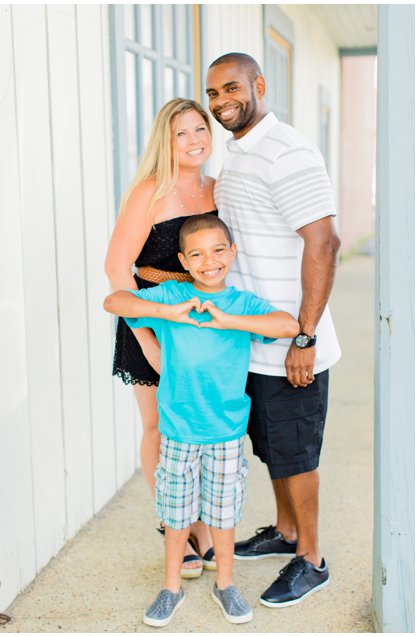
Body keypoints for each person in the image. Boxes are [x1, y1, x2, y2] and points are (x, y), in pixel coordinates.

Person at [104, 215, 299, 627]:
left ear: (232, 253)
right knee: (176, 516)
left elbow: (288, 325)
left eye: (217, 251)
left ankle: (225, 584)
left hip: (226, 431)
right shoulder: (172, 295)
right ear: (183, 260)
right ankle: (170, 587)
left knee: (223, 516)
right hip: (177, 429)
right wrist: (171, 313)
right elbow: (115, 302)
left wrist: (229, 321)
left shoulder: (242, 303)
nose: (208, 261)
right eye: (196, 254)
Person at [206, 52, 341, 607]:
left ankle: (310, 558)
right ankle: (284, 532)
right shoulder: (237, 153)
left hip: (293, 343)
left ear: (260, 85)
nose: (220, 103)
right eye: (212, 94)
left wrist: (303, 337)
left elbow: (325, 242)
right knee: (272, 449)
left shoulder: (289, 152)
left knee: (298, 453)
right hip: (254, 340)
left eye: (232, 88)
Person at [105, 98, 219, 575]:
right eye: (181, 133)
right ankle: (178, 525)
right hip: (152, 320)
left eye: (200, 130)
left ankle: (205, 527)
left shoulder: (219, 188)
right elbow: (117, 269)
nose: (194, 141)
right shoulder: (150, 192)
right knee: (160, 427)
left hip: (205, 322)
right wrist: (148, 338)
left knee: (205, 429)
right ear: (165, 142)